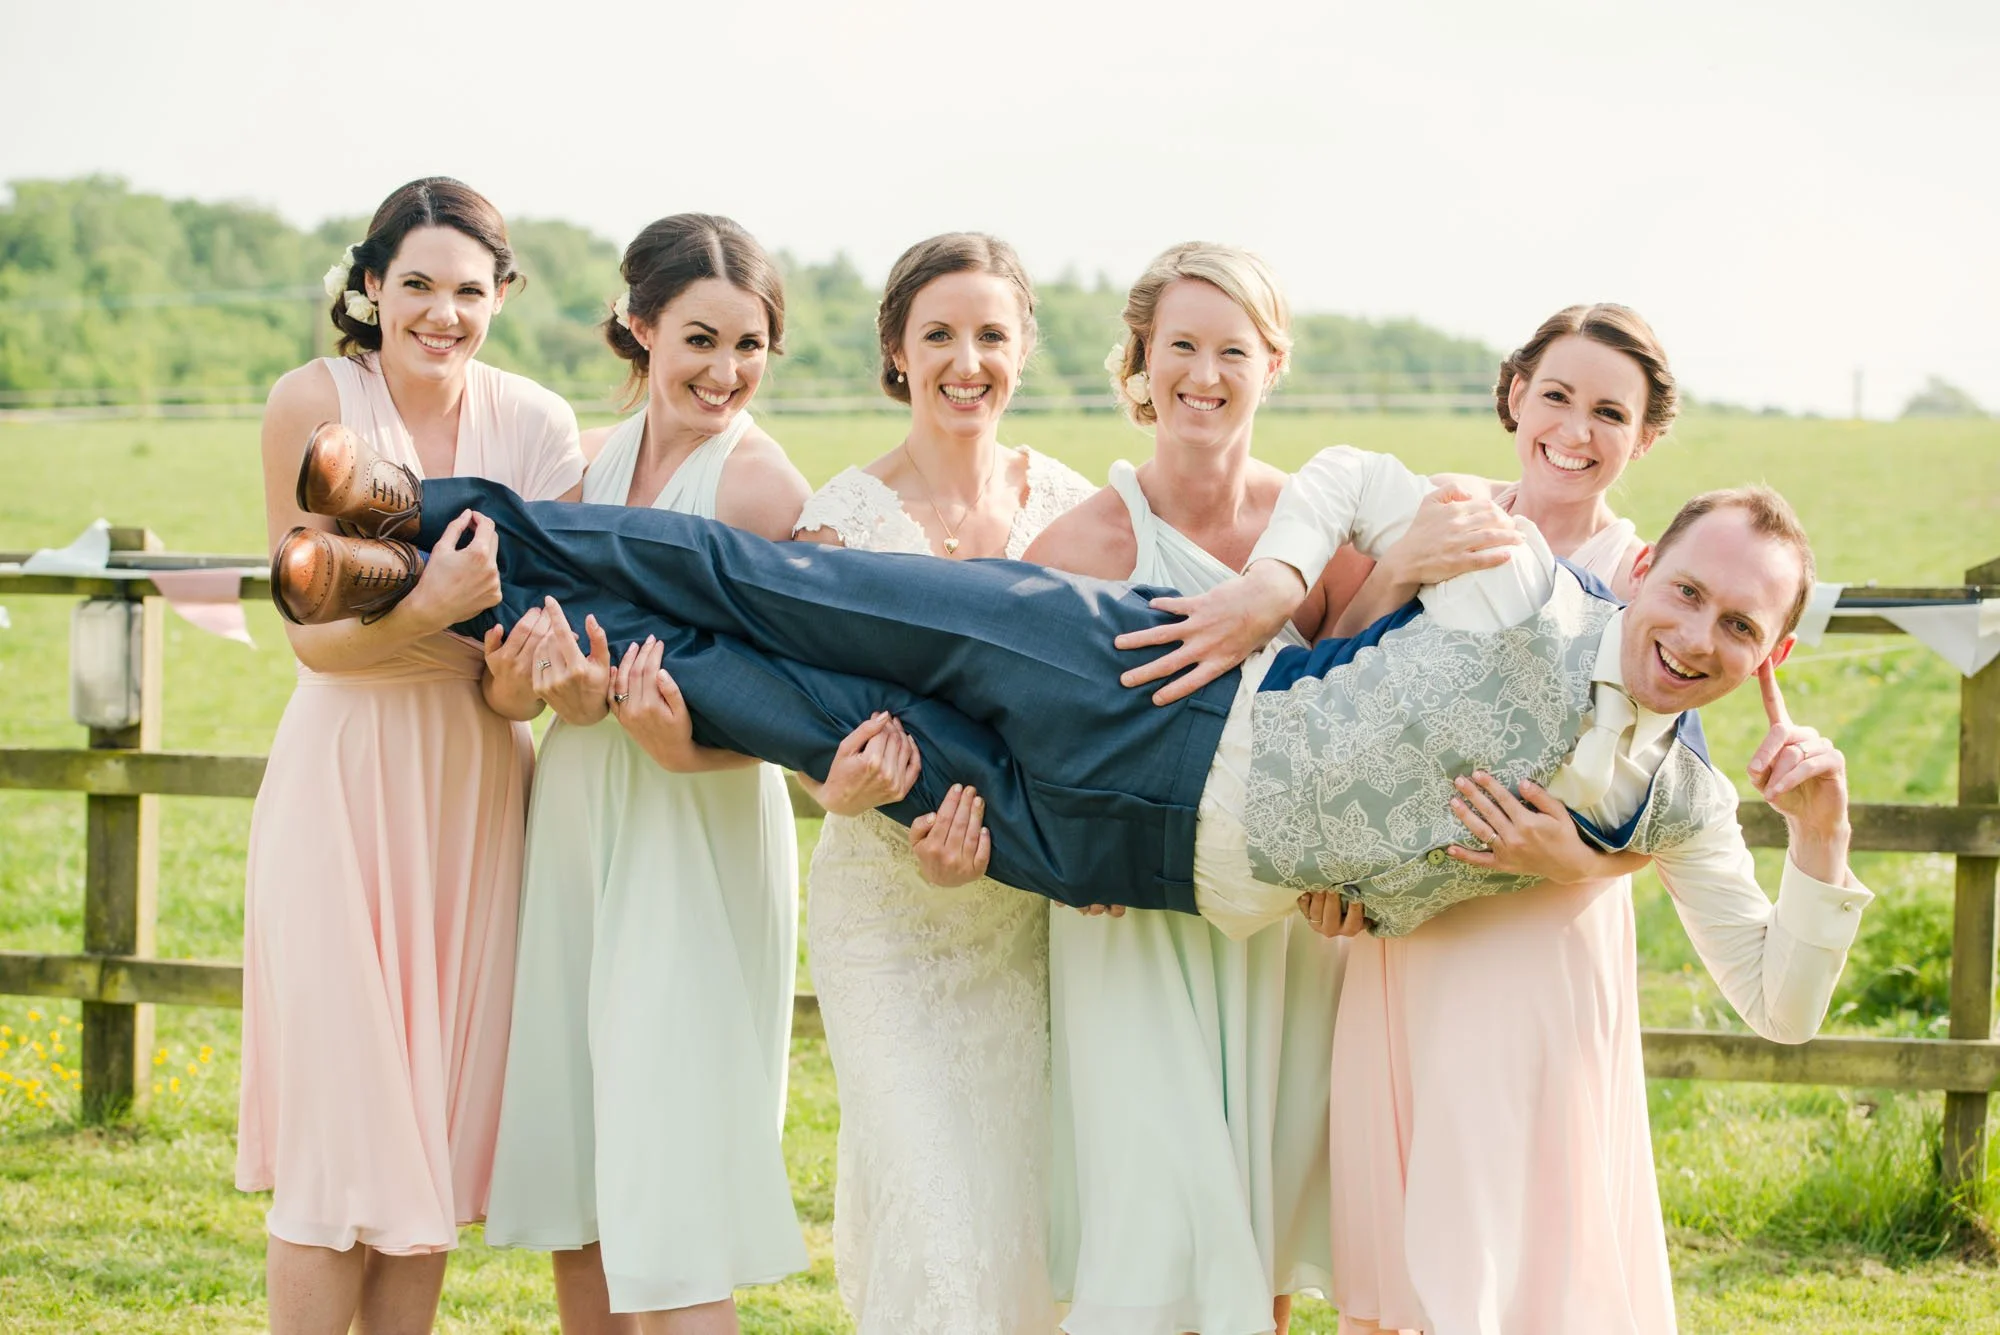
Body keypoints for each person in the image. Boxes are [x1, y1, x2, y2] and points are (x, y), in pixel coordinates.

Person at [278, 431, 1868, 1017]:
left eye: (1742, 627)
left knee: (771, 700)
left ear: (1772, 646)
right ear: (1648, 562)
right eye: (1694, 594)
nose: (1701, 639)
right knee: (781, 591)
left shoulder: (1680, 801)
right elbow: (1351, 476)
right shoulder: (1521, 572)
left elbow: (1781, 1000)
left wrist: (1821, 836)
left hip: (1130, 855)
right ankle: (423, 519)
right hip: (1139, 679)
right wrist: (1269, 590)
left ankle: (462, 593)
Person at [239, 177, 585, 1334]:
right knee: (342, 1151)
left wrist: (519, 666)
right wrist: (429, 607)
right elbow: (315, 645)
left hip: (477, 787)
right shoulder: (314, 402)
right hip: (343, 782)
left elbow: (510, 684)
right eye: (419, 285)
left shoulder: (536, 425)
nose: (443, 312)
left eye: (469, 291)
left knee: (420, 1148)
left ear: (502, 297)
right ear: (372, 284)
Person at [1316, 305, 1690, 1335]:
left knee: (1513, 1236)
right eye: (1556, 396)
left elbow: (1665, 806)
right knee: (1399, 1249)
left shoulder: (1644, 578)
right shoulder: (1437, 511)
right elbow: (1329, 685)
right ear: (1513, 393)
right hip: (1405, 931)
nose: (1574, 429)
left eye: (1608, 412)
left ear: (1644, 437)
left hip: (1537, 934)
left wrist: (1567, 856)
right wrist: (1337, 874)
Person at [1022, 243, 1365, 1335]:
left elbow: (1372, 723)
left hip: (1273, 932)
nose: (1202, 375)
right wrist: (1063, 858)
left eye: (1231, 349)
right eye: (1179, 346)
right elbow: (1016, 736)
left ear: (1272, 363)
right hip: (1123, 924)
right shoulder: (1075, 546)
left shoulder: (1317, 541)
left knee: (1248, 1229)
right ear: (1140, 358)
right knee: (1149, 1223)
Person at [478, 214, 812, 1335]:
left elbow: (792, 716)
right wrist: (548, 689)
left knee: (671, 1181)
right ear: (638, 327)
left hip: (692, 825)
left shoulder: (760, 490)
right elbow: (520, 668)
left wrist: (671, 739)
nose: (725, 372)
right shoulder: (591, 467)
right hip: (578, 815)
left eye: (749, 345)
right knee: (587, 1177)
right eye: (699, 340)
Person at [789, 232, 1094, 1334]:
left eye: (991, 334)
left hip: (1024, 917)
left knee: (1020, 1203)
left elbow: (1094, 718)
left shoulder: (1076, 512)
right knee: (936, 1212)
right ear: (896, 352)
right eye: (939, 335)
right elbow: (807, 728)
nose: (967, 361)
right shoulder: (838, 522)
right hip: (885, 915)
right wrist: (855, 793)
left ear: (1022, 351)